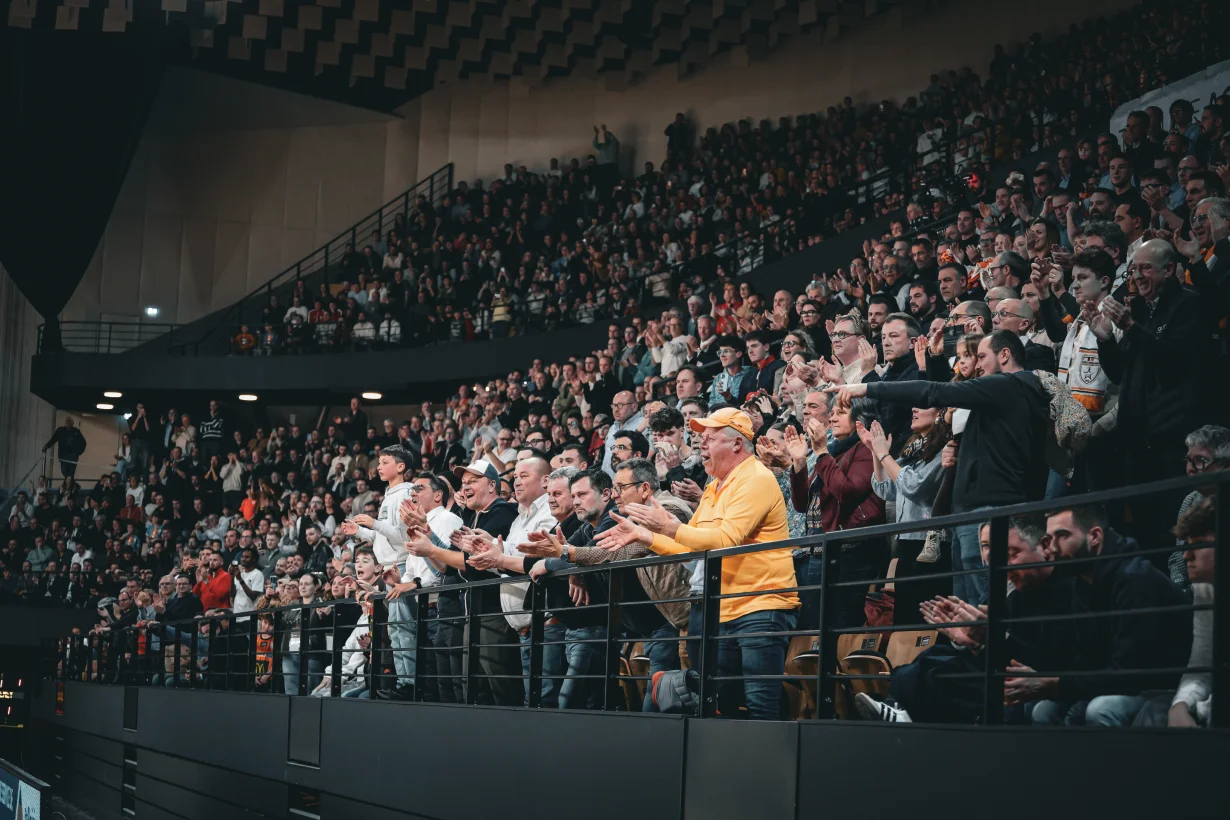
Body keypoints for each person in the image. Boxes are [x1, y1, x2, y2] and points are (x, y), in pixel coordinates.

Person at [598, 408, 799, 720]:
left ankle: (766, 766)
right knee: (724, 704)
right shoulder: (714, 487)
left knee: (761, 708)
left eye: (710, 438)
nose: (701, 444)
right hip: (724, 608)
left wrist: (667, 526)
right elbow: (691, 545)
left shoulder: (756, 477)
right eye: (701, 439)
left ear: (736, 444)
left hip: (761, 605)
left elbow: (725, 539)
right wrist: (646, 536)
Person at [830, 330, 1051, 603]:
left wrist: (867, 387)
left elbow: (936, 392)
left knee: (986, 606)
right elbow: (946, 395)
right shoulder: (997, 393)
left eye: (981, 357)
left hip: (990, 510)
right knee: (967, 609)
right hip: (969, 512)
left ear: (1005, 355)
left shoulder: (1010, 386)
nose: (977, 365)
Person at [1023, 505, 1192, 727]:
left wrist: (1057, 684)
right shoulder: (1082, 582)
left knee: (1099, 710)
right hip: (1120, 682)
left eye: (1062, 536)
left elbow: (1128, 671)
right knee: (1043, 709)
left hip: (1161, 686)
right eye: (1049, 539)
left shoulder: (1135, 579)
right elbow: (1083, 658)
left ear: (1094, 536)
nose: (1052, 548)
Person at [340, 445, 440, 700]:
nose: (379, 466)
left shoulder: (405, 493)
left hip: (402, 566)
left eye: (384, 462)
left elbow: (401, 537)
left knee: (403, 627)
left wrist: (374, 523)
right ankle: (404, 680)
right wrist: (361, 532)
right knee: (396, 628)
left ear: (401, 467)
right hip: (391, 567)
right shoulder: (390, 494)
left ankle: (410, 683)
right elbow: (383, 537)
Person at [786, 398, 886, 627]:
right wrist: (800, 462)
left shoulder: (864, 448)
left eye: (841, 412)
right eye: (832, 413)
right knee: (814, 625)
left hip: (848, 553)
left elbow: (847, 491)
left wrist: (820, 451)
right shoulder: (833, 452)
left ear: (860, 418)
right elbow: (802, 504)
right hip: (818, 549)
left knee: (839, 623)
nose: (831, 418)